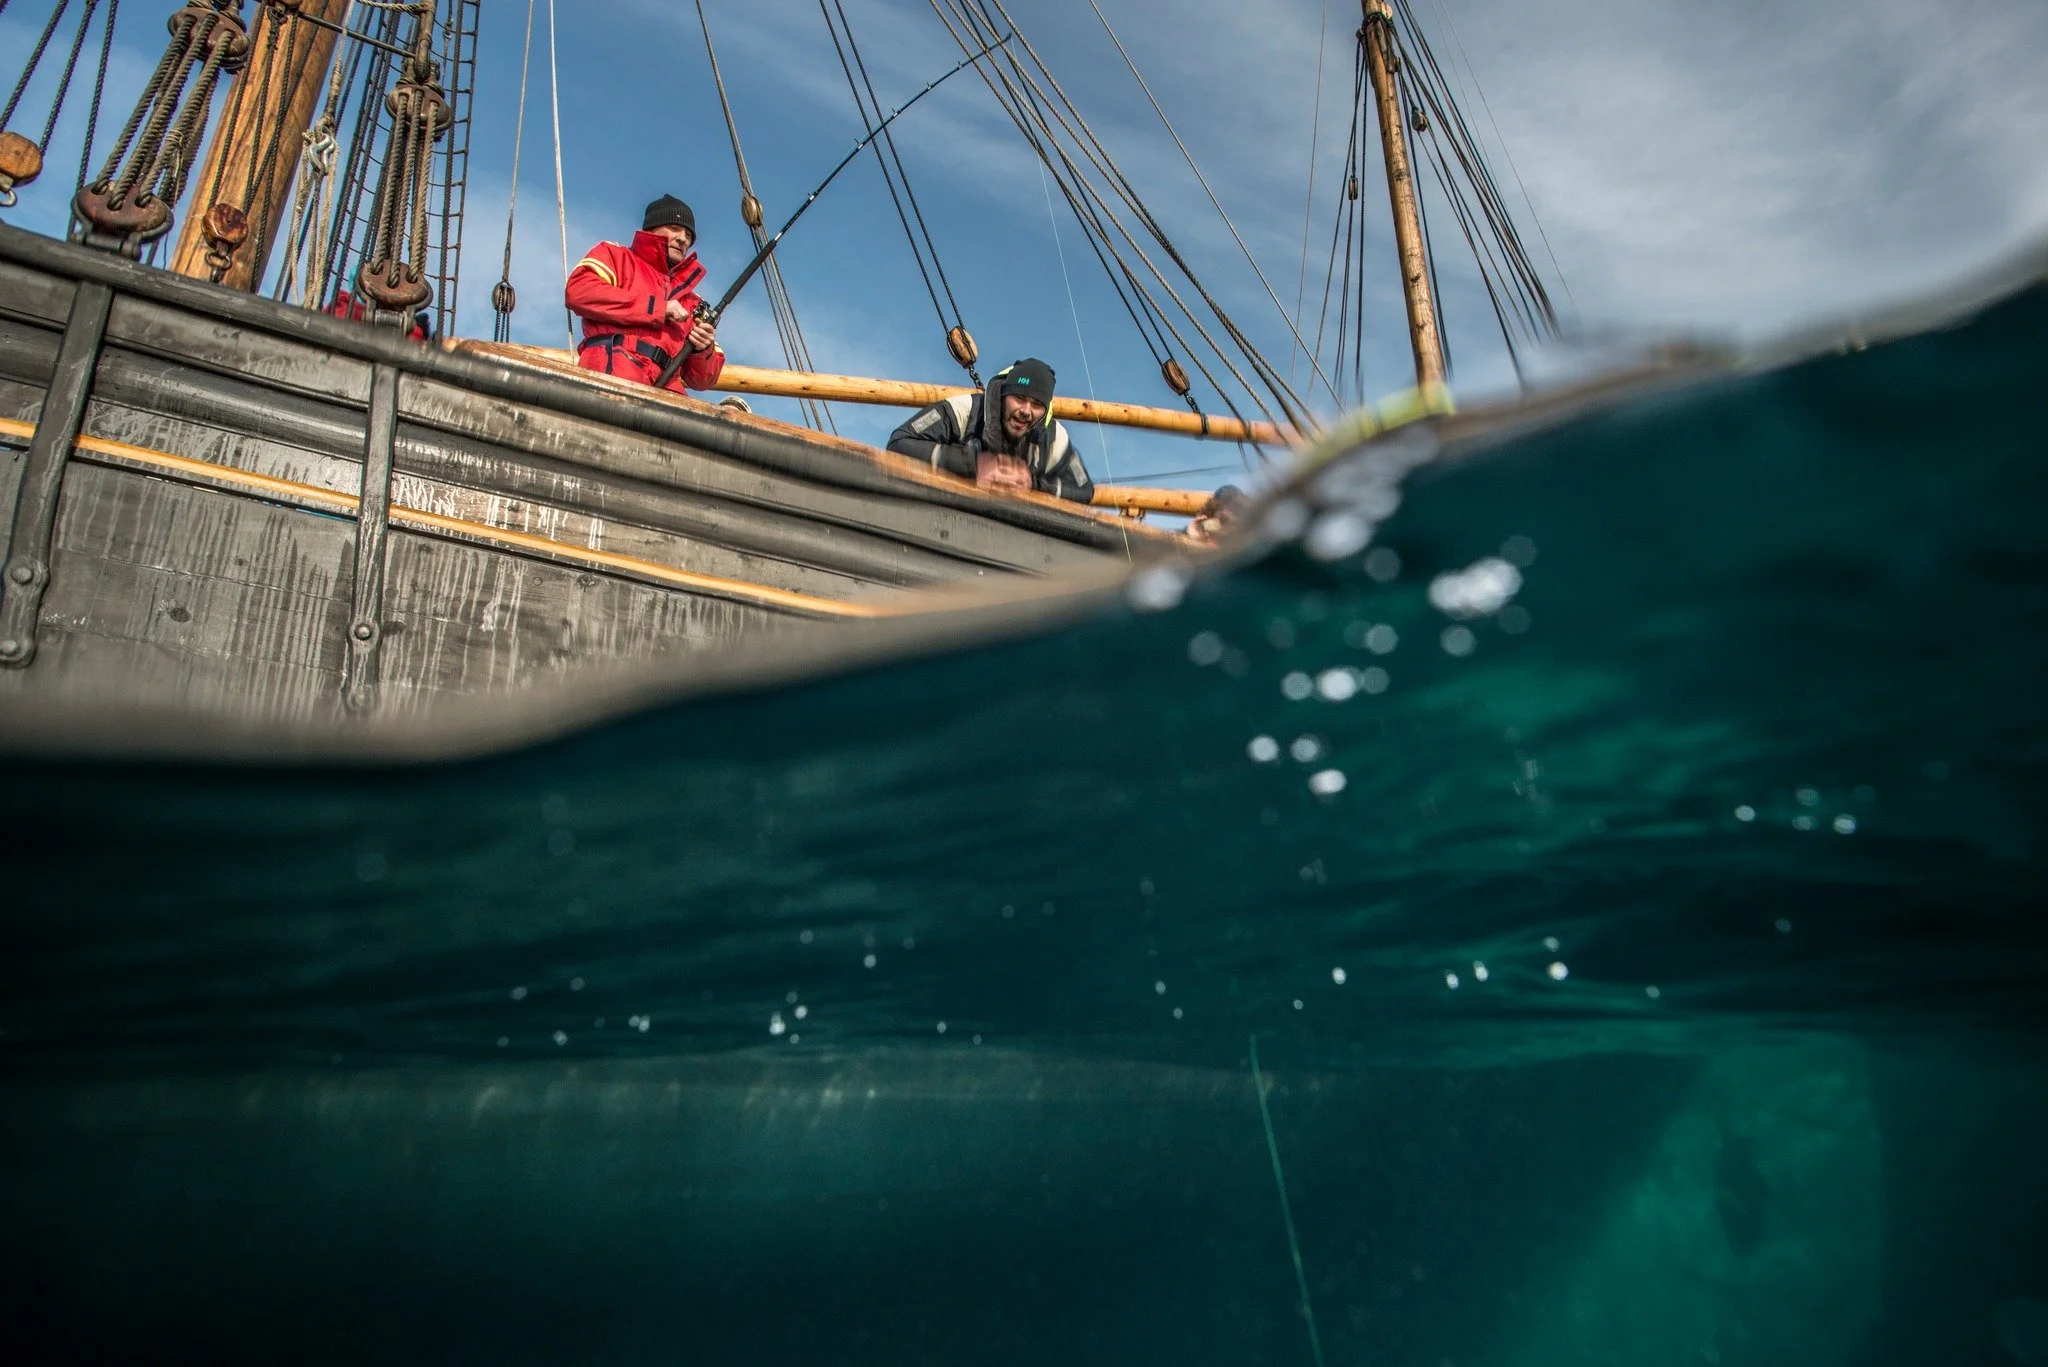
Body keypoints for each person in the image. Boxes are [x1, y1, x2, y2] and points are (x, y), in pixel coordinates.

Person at [564, 194, 724, 393]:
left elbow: (703, 381)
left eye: (689, 235)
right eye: (674, 228)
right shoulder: (615, 255)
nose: (683, 238)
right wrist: (658, 308)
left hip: (668, 394)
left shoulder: (693, 302)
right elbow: (580, 291)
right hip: (614, 374)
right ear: (652, 229)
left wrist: (703, 348)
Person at [886, 358, 1093, 503]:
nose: (1026, 411)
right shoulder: (965, 410)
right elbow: (899, 443)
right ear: (1004, 395)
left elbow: (1084, 489)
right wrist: (972, 465)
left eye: (1037, 404)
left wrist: (1033, 484)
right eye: (1019, 398)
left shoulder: (1054, 437)